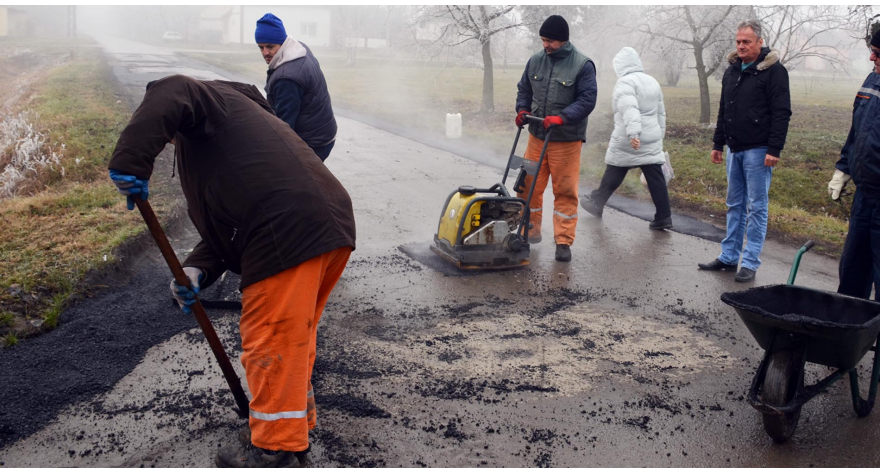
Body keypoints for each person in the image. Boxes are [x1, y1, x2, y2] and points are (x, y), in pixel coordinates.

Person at [107, 75, 356, 468]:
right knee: (294, 338)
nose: (170, 141)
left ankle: (275, 447)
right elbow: (230, 222)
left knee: (270, 341)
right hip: (329, 226)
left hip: (284, 231)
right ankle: (293, 425)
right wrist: (196, 270)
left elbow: (172, 88)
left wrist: (130, 160)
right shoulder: (243, 125)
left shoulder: (207, 98)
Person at [698, 20, 791, 283]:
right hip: (734, 148)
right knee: (734, 205)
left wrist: (774, 148)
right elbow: (724, 109)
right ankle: (729, 257)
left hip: (759, 150)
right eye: (738, 41)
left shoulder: (774, 71)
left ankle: (749, 263)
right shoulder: (732, 70)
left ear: (760, 42)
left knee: (757, 208)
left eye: (746, 42)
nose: (741, 46)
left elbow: (782, 112)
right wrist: (718, 143)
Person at [515, 14, 597, 262]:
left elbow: (587, 100)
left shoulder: (582, 64)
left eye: (549, 41)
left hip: (566, 141)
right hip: (537, 137)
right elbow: (524, 89)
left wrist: (562, 118)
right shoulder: (535, 60)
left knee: (565, 191)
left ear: (563, 40)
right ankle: (529, 231)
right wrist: (522, 110)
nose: (545, 45)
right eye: (543, 40)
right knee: (527, 186)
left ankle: (563, 241)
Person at [580, 47, 672, 230]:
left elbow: (630, 109)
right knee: (655, 176)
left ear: (620, 66)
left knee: (615, 167)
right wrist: (659, 135)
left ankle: (597, 201)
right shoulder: (652, 81)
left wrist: (634, 134)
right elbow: (661, 112)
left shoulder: (625, 82)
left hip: (630, 136)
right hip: (651, 137)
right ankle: (664, 216)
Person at [828, 29, 880, 301]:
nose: (872, 58)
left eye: (878, 54)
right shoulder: (873, 79)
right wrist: (844, 167)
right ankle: (848, 326)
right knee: (852, 272)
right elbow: (857, 131)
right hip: (865, 196)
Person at [256, 13, 337, 161]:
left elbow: (284, 128)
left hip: (313, 143)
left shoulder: (287, 79)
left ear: (282, 43)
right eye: (261, 47)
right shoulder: (299, 49)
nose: (265, 52)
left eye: (270, 46)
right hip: (324, 132)